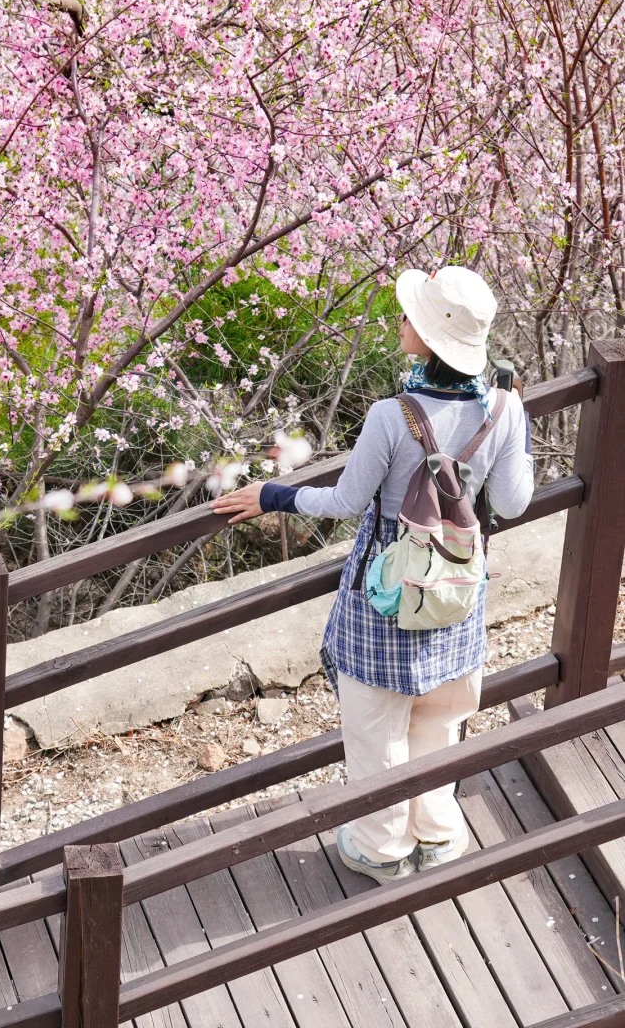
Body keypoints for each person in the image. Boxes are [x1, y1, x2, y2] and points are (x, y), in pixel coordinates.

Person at [213, 265, 533, 884]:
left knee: (376, 730)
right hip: (457, 584)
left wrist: (274, 495)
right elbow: (515, 502)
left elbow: (346, 501)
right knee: (440, 718)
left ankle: (381, 849)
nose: (401, 320)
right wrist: (511, 439)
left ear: (430, 338)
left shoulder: (393, 414)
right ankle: (437, 835)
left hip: (388, 589)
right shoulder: (504, 406)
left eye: (411, 315)